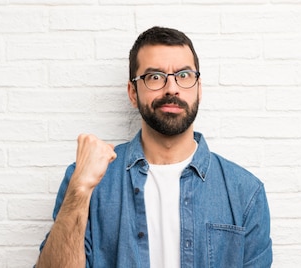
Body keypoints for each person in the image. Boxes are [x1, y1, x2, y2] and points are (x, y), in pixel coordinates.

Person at [35, 26, 272, 268]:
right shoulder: (88, 180)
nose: (171, 88)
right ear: (133, 93)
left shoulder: (245, 192)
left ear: (199, 90)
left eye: (184, 75)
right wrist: (80, 188)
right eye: (155, 77)